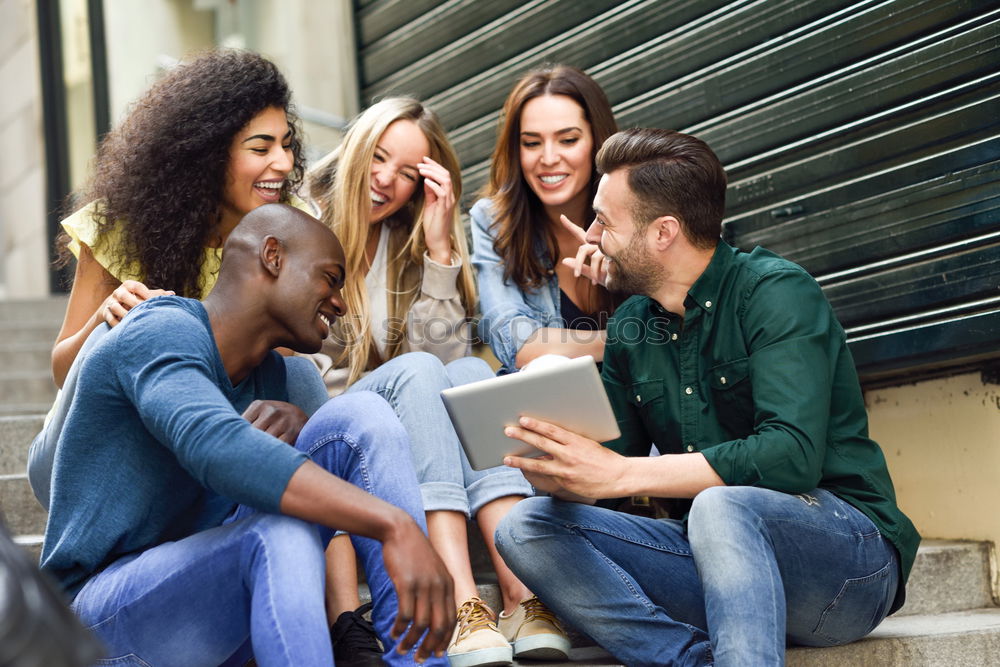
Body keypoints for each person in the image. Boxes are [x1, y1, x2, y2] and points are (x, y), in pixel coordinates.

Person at [495, 128, 921, 666]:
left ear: (663, 233)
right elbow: (609, 471)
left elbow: (790, 456)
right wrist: (558, 466)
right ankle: (687, 660)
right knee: (526, 527)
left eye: (605, 220)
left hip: (847, 567)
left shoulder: (775, 293)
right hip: (713, 564)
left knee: (722, 504)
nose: (592, 236)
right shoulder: (631, 326)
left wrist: (622, 474)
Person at [40, 204, 456, 666]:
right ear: (273, 256)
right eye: (330, 278)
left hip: (211, 608)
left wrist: (305, 432)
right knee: (274, 535)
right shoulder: (160, 327)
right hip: (99, 623)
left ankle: (419, 660)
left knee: (362, 413)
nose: (340, 302)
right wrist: (393, 524)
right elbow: (213, 446)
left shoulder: (276, 378)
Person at [304, 97, 568, 665]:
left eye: (405, 174)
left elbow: (443, 358)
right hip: (335, 426)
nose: (385, 182)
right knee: (431, 372)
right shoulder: (304, 222)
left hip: (404, 408)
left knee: (472, 373)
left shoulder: (406, 240)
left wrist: (441, 245)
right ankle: (460, 601)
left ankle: (522, 597)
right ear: (354, 149)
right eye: (378, 159)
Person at [29, 49, 329, 508]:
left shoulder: (289, 229)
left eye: (286, 144)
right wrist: (105, 323)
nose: (284, 163)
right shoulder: (118, 228)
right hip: (89, 451)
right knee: (125, 332)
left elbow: (276, 359)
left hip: (205, 437)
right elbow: (61, 369)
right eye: (261, 147)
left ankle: (336, 543)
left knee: (297, 374)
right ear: (207, 154)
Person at [471, 65, 618, 375]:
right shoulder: (493, 222)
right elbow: (515, 344)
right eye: (532, 143)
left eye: (567, 140)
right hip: (555, 406)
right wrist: (625, 343)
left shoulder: (638, 207)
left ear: (597, 140)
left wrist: (624, 276)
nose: (548, 158)